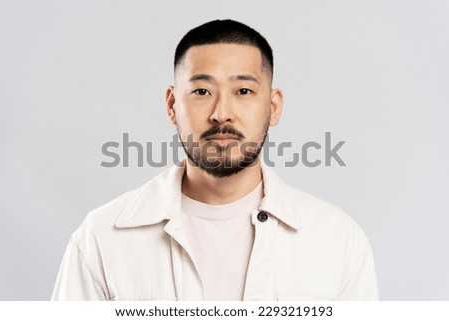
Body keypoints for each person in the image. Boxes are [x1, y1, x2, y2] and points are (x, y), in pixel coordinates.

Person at [52, 19, 378, 300]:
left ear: (273, 106)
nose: (222, 114)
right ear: (171, 105)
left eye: (244, 91)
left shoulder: (337, 241)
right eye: (202, 92)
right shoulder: (101, 237)